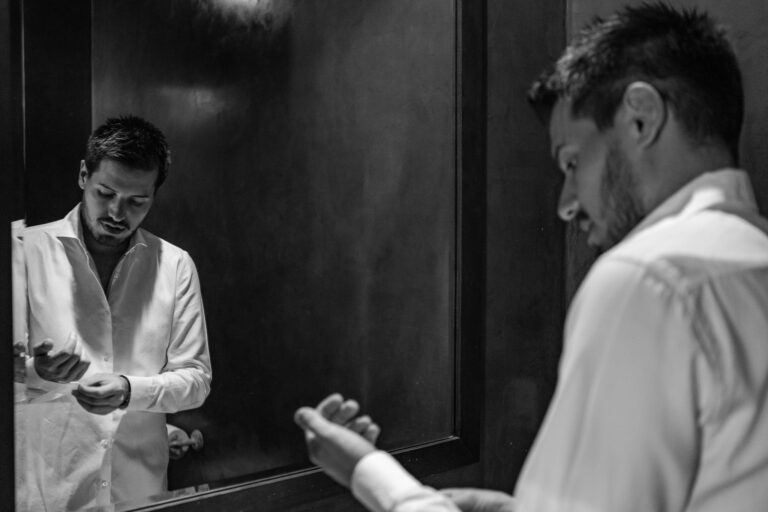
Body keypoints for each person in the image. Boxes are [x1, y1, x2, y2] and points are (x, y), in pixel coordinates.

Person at [294, 3, 768, 511]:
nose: (566, 204)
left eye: (572, 162)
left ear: (640, 117)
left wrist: (370, 473)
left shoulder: (650, 278)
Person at [15, 115, 212, 511]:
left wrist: (128, 390)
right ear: (84, 175)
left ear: (154, 194)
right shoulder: (22, 250)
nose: (118, 213)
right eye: (106, 193)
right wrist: (37, 371)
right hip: (49, 495)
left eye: (137, 201)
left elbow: (196, 379)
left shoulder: (175, 265)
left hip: (140, 494)